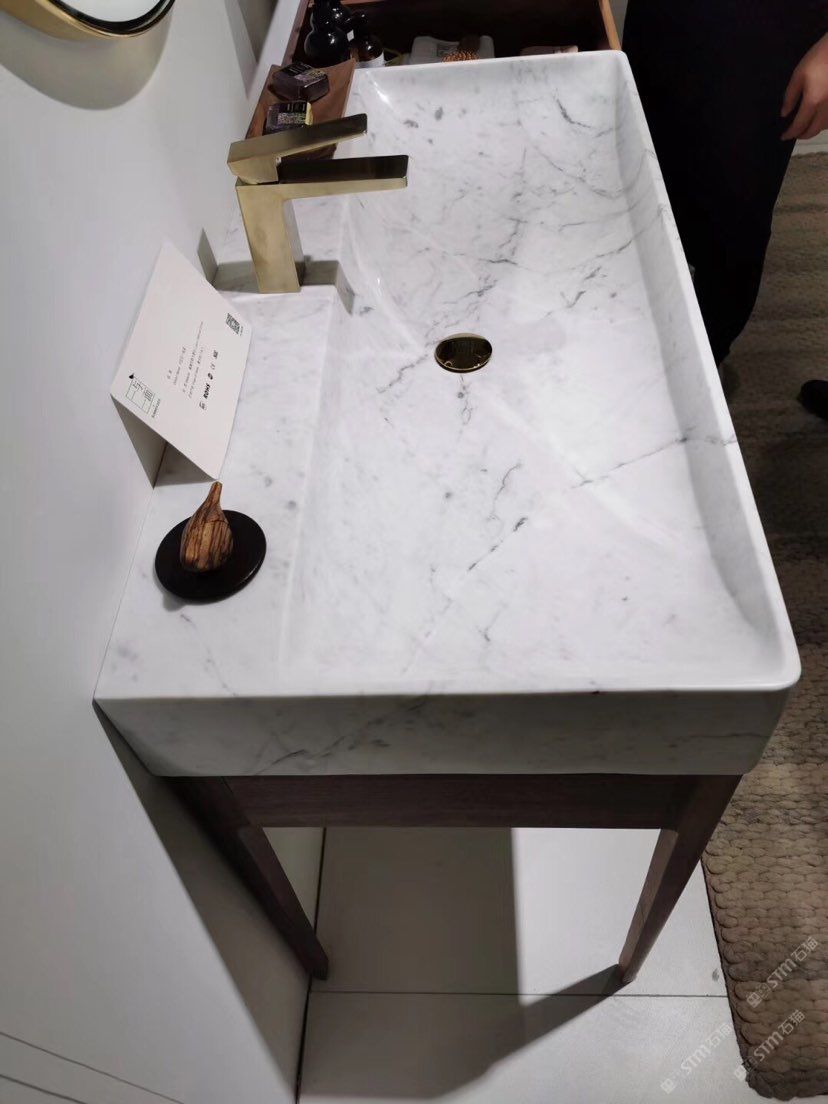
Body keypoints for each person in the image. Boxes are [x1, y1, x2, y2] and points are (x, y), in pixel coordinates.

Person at [623, 2, 828, 419]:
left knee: (731, 220)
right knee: (638, 178)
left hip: (769, 29)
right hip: (666, 20)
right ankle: (635, 344)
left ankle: (697, 368)